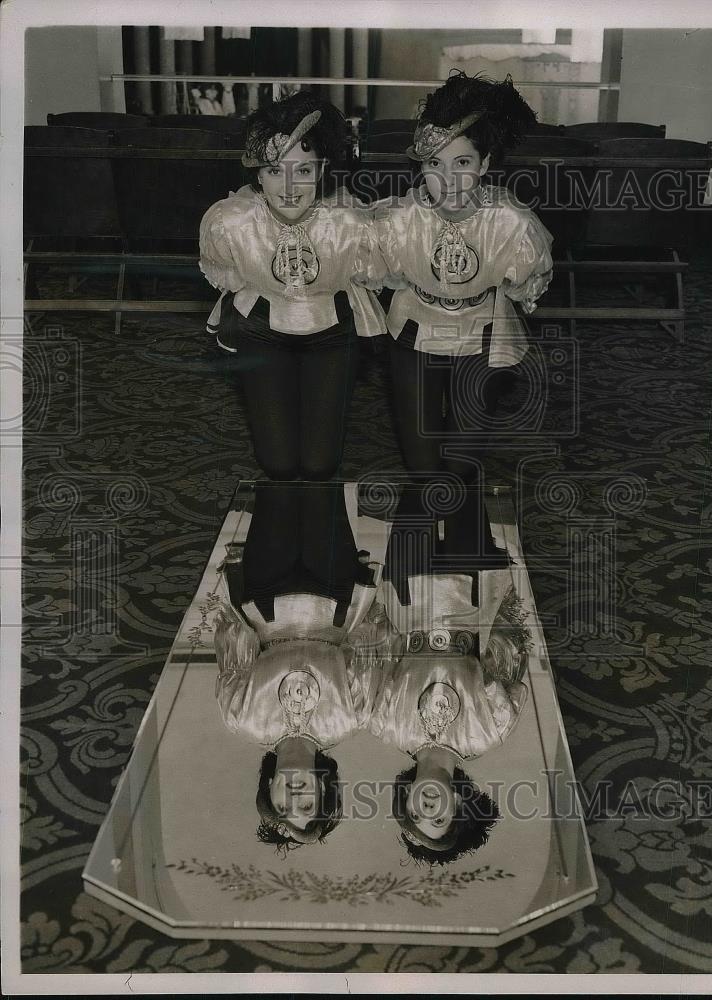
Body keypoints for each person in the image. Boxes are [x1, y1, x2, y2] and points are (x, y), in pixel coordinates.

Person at [374, 71, 553, 504]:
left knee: (458, 469)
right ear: (420, 167)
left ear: (485, 165)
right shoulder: (398, 218)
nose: (448, 180)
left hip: (483, 334)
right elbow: (376, 269)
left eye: (463, 163)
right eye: (434, 164)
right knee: (422, 468)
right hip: (415, 329)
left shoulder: (511, 223)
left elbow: (525, 284)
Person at [199, 91, 386, 482]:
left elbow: (373, 271)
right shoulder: (230, 223)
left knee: (320, 463)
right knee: (277, 463)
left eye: (302, 170)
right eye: (273, 170)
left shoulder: (350, 224)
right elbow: (227, 273)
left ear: (321, 170)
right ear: (256, 175)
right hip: (260, 329)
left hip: (333, 332)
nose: (288, 187)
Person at [213, 481, 387, 850]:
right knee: (324, 485)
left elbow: (235, 639)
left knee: (276, 483)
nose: (293, 796)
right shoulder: (351, 718)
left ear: (270, 790)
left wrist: (240, 587)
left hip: (264, 595)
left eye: (283, 805)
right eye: (306, 804)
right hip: (335, 595)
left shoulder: (242, 719)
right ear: (324, 789)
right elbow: (369, 642)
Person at [369, 480, 531, 865]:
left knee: (418, 479)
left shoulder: (384, 724)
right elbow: (509, 656)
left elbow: (378, 648)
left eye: (416, 816)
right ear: (459, 802)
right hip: (472, 591)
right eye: (439, 818)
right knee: (466, 481)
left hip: (407, 591)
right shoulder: (490, 733)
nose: (426, 809)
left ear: (406, 801)